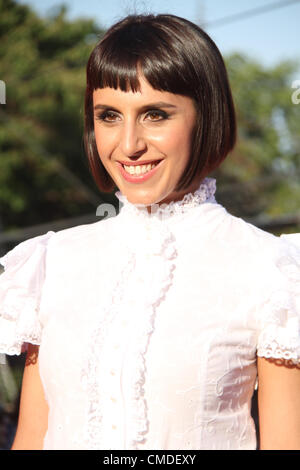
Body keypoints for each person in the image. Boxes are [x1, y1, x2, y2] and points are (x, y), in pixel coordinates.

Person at [0, 13, 299, 451]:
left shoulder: (272, 270)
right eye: (108, 116)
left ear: (208, 116)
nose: (128, 144)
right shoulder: (50, 264)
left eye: (155, 114)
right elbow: (31, 438)